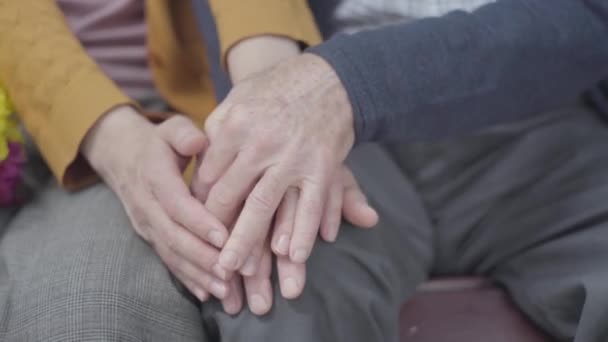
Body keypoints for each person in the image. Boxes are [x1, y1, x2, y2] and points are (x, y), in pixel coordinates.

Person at [194, 0, 608, 341]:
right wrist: (282, 94)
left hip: (543, 105)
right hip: (322, 126)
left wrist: (348, 84)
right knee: (282, 281)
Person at [0, 1, 380, 340]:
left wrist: (274, 97)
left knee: (295, 292)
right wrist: (111, 138)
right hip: (72, 124)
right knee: (84, 312)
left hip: (258, 77)